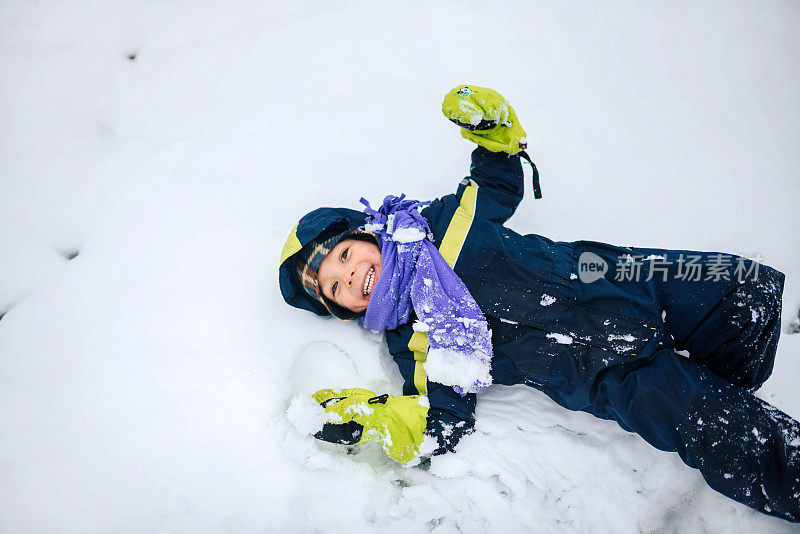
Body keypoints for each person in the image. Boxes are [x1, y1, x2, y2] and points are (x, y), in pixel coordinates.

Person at [278, 85, 799, 522]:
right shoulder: (412, 339)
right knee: (721, 432)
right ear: (342, 309)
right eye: (335, 288)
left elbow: (496, 184)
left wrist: (493, 133)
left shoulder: (438, 224)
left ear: (365, 233)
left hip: (616, 281)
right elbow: (441, 421)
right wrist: (374, 421)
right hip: (606, 373)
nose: (351, 275)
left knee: (739, 292)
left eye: (344, 255)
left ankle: (736, 376)